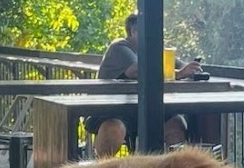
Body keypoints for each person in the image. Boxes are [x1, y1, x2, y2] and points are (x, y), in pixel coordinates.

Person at [87, 12, 203, 158]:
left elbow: (179, 64)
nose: (155, 36)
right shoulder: (120, 47)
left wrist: (192, 69)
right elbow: (139, 70)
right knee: (114, 128)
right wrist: (179, 74)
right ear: (134, 32)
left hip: (143, 109)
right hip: (111, 110)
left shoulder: (156, 50)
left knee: (176, 123)